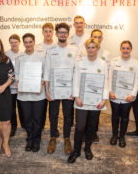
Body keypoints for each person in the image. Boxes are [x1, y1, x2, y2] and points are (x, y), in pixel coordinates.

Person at [67, 38, 108, 163]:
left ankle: (88, 149)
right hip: (81, 101)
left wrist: (104, 99)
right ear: (86, 49)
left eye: (93, 47)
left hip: (96, 102)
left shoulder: (103, 64)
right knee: (79, 127)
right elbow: (75, 81)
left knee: (91, 127)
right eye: (88, 47)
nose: (91, 50)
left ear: (97, 48)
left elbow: (105, 82)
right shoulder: (79, 63)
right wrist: (77, 97)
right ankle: (76, 150)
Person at [44, 22, 79, 155]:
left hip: (68, 91)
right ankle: (53, 137)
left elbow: (76, 72)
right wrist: (47, 91)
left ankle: (66, 138)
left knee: (68, 115)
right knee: (53, 115)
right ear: (56, 34)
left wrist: (74, 92)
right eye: (60, 32)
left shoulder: (74, 50)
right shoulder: (51, 50)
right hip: (53, 89)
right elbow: (47, 71)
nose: (63, 34)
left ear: (68, 35)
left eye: (65, 32)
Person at [15, 33, 46, 152]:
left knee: (37, 119)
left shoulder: (41, 57)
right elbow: (17, 74)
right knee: (27, 119)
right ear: (23, 43)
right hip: (24, 95)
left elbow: (45, 73)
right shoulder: (19, 58)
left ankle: (37, 140)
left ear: (34, 42)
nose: (28, 44)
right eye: (26, 42)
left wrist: (41, 83)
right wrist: (18, 82)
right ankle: (29, 139)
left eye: (30, 42)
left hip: (38, 94)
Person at [108, 41, 138, 147]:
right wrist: (110, 91)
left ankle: (122, 136)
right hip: (115, 96)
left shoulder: (136, 63)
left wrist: (133, 94)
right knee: (115, 116)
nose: (125, 50)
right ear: (120, 49)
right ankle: (114, 135)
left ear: (131, 49)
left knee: (125, 117)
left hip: (128, 96)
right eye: (123, 48)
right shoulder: (114, 61)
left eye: (127, 48)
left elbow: (137, 79)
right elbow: (110, 77)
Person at [90, 29, 111, 142]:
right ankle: (85, 131)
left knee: (96, 111)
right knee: (87, 109)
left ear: (102, 39)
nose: (97, 39)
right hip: (88, 86)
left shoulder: (107, 54)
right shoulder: (86, 51)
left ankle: (93, 132)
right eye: (94, 37)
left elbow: (107, 72)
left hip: (99, 86)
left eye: (99, 37)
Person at [35, 23, 56, 129]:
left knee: (53, 109)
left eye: (50, 31)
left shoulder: (57, 46)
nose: (48, 33)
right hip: (40, 82)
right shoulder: (37, 47)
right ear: (42, 32)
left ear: (53, 32)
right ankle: (41, 126)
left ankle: (53, 128)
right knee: (41, 107)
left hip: (53, 82)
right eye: (46, 31)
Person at [6, 34, 24, 136]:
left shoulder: (23, 53)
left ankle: (24, 125)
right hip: (10, 87)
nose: (14, 44)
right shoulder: (5, 54)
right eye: (12, 42)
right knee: (11, 108)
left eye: (15, 42)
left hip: (21, 87)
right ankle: (13, 126)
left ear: (19, 42)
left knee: (22, 108)